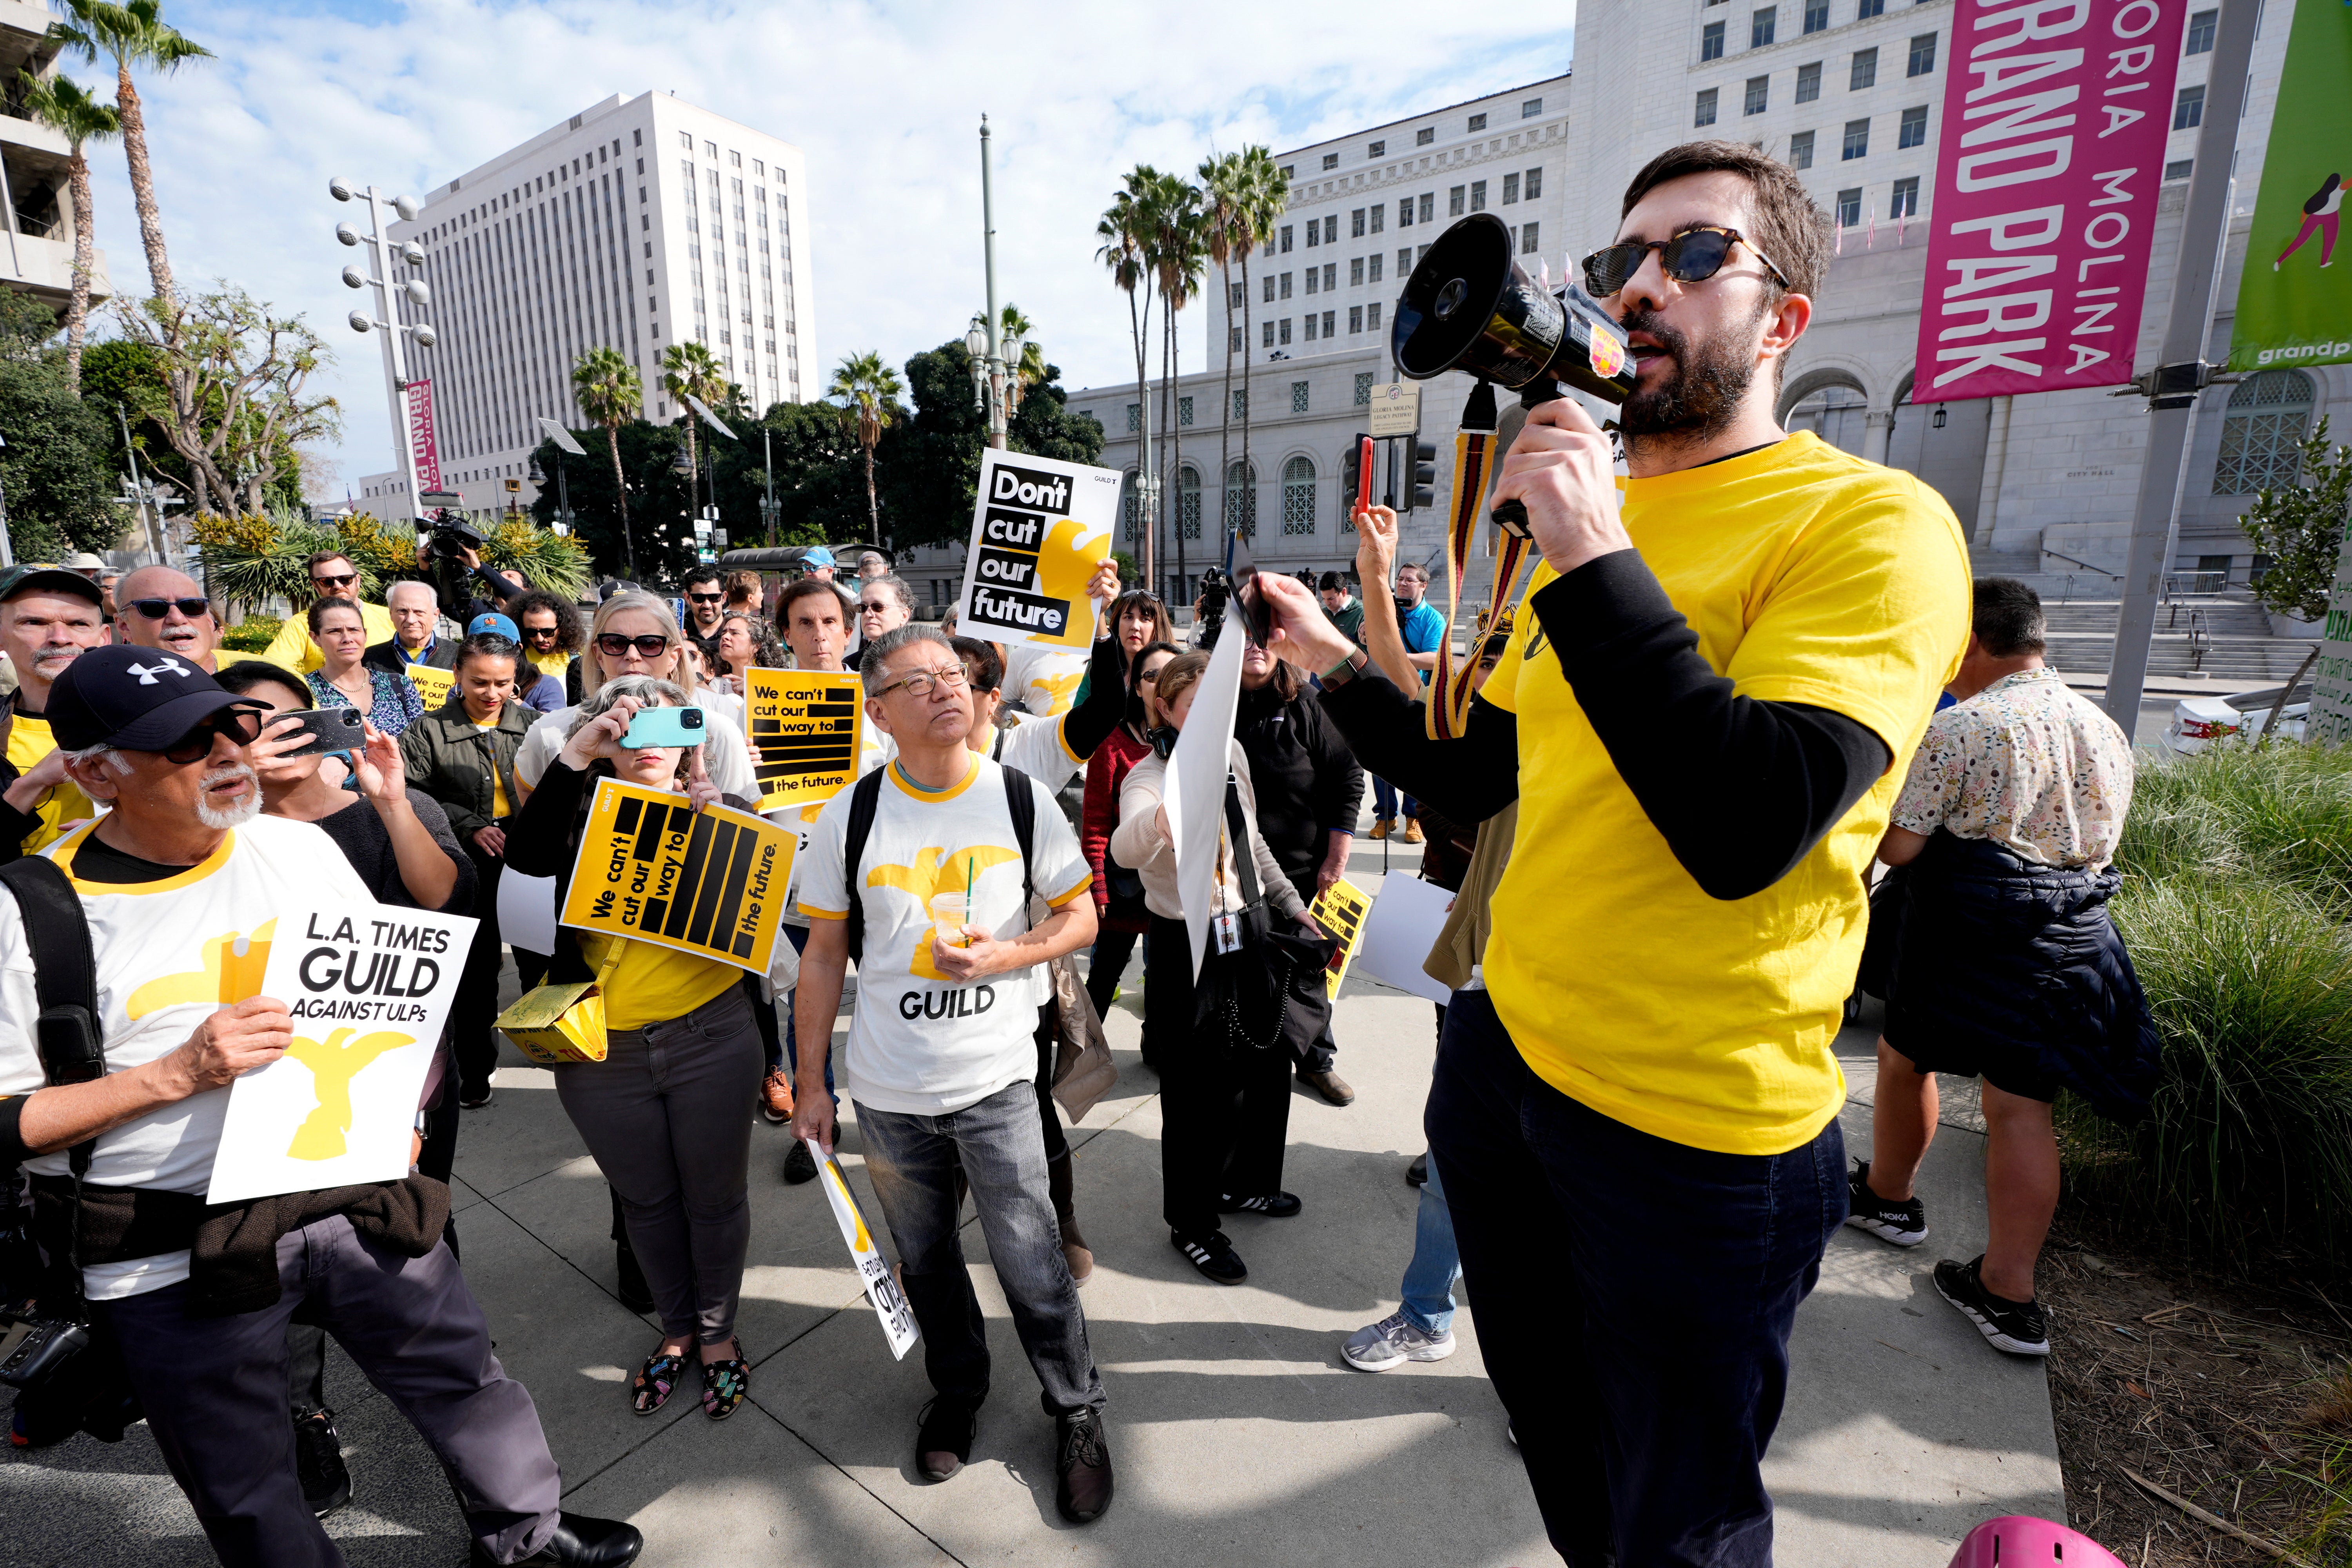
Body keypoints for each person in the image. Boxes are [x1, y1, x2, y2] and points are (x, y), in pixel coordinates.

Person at [1248, 140, 1971, 1563]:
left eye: (1693, 253)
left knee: (1681, 1517)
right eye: (1617, 262)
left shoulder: (1870, 524)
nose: (1641, 286)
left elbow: (1746, 821)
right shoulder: (1591, 527)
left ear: (1781, 321)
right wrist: (1334, 660)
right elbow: (1480, 771)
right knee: (1570, 1457)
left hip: (1691, 1140)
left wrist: (1587, 548)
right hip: (1507, 1066)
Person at [0, 643, 640, 1568]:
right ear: (97, 773)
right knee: (244, 1474)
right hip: (167, 1248)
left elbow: (385, 994)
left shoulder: (296, 845)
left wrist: (403, 1108)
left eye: (228, 723)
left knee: (463, 1376)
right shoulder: (31, 912)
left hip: (350, 1193)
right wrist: (171, 1075)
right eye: (182, 743)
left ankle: (525, 1534)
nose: (224, 750)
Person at [789, 624, 1113, 1523]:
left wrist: (1010, 952)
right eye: (915, 679)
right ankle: (958, 1391)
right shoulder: (848, 816)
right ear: (877, 709)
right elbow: (821, 957)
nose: (943, 688)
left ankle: (1076, 1407)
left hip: (999, 1082)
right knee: (927, 1263)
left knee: (1033, 1258)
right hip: (890, 1097)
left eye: (953, 674)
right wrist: (811, 1083)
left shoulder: (1018, 798)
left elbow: (1080, 917)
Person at [1849, 578, 2154, 1359]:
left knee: (1902, 1059)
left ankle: (1889, 1199)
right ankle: (2008, 1292)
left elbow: (1900, 848)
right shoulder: (2104, 727)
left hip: (1964, 931)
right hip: (2068, 937)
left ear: (1973, 643)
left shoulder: (1962, 729)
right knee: (2022, 1106)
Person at [216, 659, 475, 1517]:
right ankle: (303, 1413)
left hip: (403, 1085)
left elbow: (443, 902)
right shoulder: (215, 831)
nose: (272, 737)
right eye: (247, 722)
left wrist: (392, 800)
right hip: (263, 1095)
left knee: (417, 1242)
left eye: (291, 719)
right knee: (281, 1267)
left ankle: (464, 1406)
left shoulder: (388, 802)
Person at [505, 675, 765, 1423]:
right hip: (601, 1054)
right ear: (605, 739)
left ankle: (718, 1338)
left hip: (713, 1039)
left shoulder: (729, 814)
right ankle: (676, 1333)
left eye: (667, 727)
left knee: (715, 1202)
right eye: (629, 728)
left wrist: (728, 830)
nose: (650, 745)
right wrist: (576, 756)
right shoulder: (570, 817)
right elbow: (520, 879)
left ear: (693, 737)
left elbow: (774, 907)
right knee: (646, 1204)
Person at [1341, 592, 1518, 1374]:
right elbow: (1396, 695)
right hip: (1475, 979)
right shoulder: (1471, 743)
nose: (1490, 688)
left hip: (1570, 1004)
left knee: (1559, 1192)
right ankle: (1426, 1314)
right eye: (1487, 674)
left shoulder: (1596, 753)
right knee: (1454, 1165)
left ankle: (1551, 1372)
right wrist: (1374, 584)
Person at [1111, 648, 1321, 1289]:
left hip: (1248, 925)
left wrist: (1291, 906)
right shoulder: (1148, 778)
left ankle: (1245, 1186)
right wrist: (1160, 821)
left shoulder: (1230, 755)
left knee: (1262, 1067)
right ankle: (1193, 1225)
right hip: (1185, 942)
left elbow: (1252, 838)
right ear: (1166, 709)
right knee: (1195, 1093)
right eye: (1194, 707)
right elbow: (1125, 846)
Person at [400, 632, 534, 1109]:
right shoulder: (427, 731)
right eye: (479, 682)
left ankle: (552, 1046)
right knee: (475, 972)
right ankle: (476, 1069)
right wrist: (470, 824)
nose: (491, 693)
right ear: (457, 675)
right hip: (465, 859)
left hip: (528, 854)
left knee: (540, 958)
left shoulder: (535, 725)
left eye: (503, 683)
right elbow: (411, 793)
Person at [1234, 639, 1363, 1106]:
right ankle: (1250, 1059)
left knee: (1307, 978)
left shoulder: (1306, 704)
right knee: (1245, 976)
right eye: (1244, 636)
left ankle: (1315, 1062)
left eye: (1264, 637)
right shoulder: (1214, 706)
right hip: (1234, 874)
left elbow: (1348, 779)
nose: (1254, 646)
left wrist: (1337, 857)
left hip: (1304, 870)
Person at [514, 592, 760, 806]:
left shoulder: (718, 732)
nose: (632, 655)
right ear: (598, 655)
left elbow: (749, 828)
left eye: (650, 644)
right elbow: (534, 831)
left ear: (674, 657)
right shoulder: (550, 732)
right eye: (615, 643)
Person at [1078, 639, 1182, 1058]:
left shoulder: (1200, 741)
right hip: (1122, 892)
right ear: (1135, 686)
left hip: (1171, 894)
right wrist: (1097, 887)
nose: (1161, 684)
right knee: (1103, 976)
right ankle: (1079, 1054)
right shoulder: (1113, 742)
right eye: (1151, 675)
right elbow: (1097, 822)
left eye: (1173, 674)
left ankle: (1156, 1048)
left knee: (1164, 980)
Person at [2, 565, 110, 854]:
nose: (60, 637)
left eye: (78, 623)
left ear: (104, 637)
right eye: (34, 622)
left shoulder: (160, 719)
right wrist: (31, 785)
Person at [1366, 561, 1445, 845]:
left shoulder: (1433, 619)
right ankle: (1385, 816)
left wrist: (1396, 657)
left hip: (1415, 697)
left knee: (1414, 761)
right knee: (1380, 758)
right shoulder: (1386, 614)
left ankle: (1414, 818)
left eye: (1410, 580)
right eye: (1400, 579)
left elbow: (1434, 658)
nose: (1402, 583)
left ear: (1423, 585)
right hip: (1382, 694)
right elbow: (1368, 646)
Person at [306, 598, 427, 739]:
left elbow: (422, 747)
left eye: (354, 630)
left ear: (365, 634)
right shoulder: (306, 691)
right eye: (334, 631)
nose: (347, 638)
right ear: (316, 638)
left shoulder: (400, 685)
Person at [260, 551, 397, 675]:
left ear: (358, 580)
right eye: (327, 581)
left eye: (345, 579)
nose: (338, 586)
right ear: (315, 586)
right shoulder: (301, 624)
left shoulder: (390, 617)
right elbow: (273, 668)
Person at [114, 566, 225, 673]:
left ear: (209, 622)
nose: (177, 618)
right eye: (154, 607)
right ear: (124, 626)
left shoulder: (241, 666)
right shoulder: (113, 689)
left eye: (191, 606)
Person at [364, 581, 461, 677]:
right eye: (403, 611)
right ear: (391, 614)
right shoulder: (370, 659)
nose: (411, 620)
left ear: (435, 615)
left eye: (419, 612)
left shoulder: (459, 656)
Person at [508, 590, 583, 695]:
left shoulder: (577, 658)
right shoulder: (516, 659)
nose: (540, 639)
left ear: (562, 627)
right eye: (531, 632)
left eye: (547, 632)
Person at [854, 572, 915, 660]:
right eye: (863, 607)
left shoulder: (923, 661)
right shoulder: (850, 666)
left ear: (904, 616)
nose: (868, 614)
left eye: (878, 607)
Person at [678, 564, 728, 659]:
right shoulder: (676, 631)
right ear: (688, 598)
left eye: (714, 597)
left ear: (724, 597)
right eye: (699, 598)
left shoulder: (737, 632)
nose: (707, 605)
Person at [1317, 572, 1365, 649]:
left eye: (1331, 599)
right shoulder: (1322, 613)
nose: (1327, 603)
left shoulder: (1362, 614)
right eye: (1324, 599)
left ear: (1344, 592)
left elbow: (1367, 651)